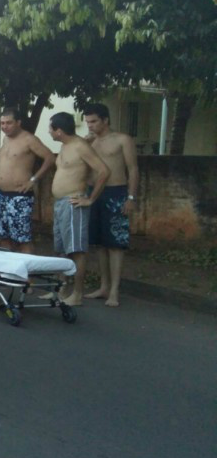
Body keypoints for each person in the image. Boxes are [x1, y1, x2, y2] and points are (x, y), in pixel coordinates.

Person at [48, 112, 110, 306]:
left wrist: (90, 199)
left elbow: (103, 171)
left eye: (50, 128)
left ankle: (77, 293)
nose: (49, 131)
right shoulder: (66, 145)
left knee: (76, 250)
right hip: (60, 204)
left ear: (58, 131)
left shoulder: (80, 147)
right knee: (61, 250)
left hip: (74, 202)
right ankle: (60, 290)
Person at [82, 103, 139, 307]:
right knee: (99, 243)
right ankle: (104, 286)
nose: (90, 125)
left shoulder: (122, 140)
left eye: (94, 121)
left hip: (116, 192)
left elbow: (132, 170)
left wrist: (131, 198)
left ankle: (114, 290)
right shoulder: (89, 142)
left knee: (115, 244)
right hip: (93, 193)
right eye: (87, 122)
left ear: (106, 120)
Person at [0, 107, 56, 253]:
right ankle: (9, 273)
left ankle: (27, 275)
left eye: (8, 123)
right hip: (2, 195)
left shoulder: (29, 139)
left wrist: (33, 180)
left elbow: (50, 158)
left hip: (20, 196)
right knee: (4, 237)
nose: (4, 127)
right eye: (2, 123)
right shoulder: (5, 139)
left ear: (18, 123)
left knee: (22, 239)